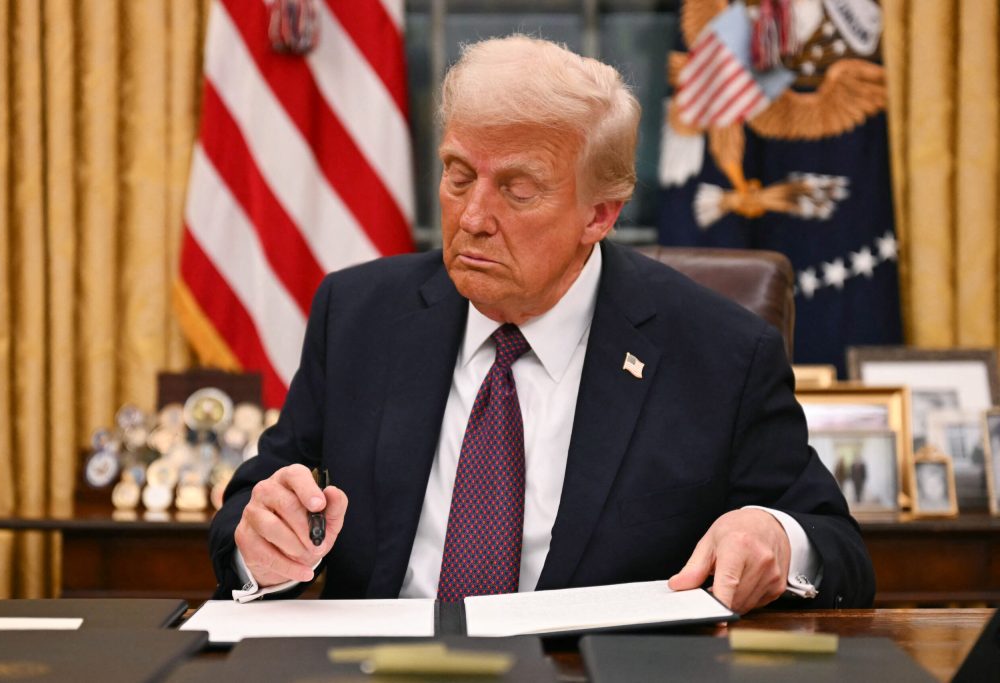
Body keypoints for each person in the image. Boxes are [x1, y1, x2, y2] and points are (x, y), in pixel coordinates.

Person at [209, 35, 875, 613]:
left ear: (601, 215)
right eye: (458, 175)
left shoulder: (720, 354)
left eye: (518, 190)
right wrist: (259, 538)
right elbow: (257, 497)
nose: (473, 216)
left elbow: (837, 546)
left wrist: (774, 537)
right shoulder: (359, 316)